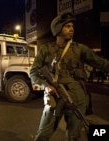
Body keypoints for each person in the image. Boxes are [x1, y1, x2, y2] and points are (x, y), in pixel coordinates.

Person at [29, 12, 109, 141]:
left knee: (73, 136)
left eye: (72, 26)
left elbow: (101, 63)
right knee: (43, 134)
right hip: (55, 97)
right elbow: (33, 72)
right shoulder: (46, 49)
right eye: (67, 26)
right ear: (58, 29)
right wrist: (46, 85)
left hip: (77, 99)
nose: (72, 29)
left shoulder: (80, 49)